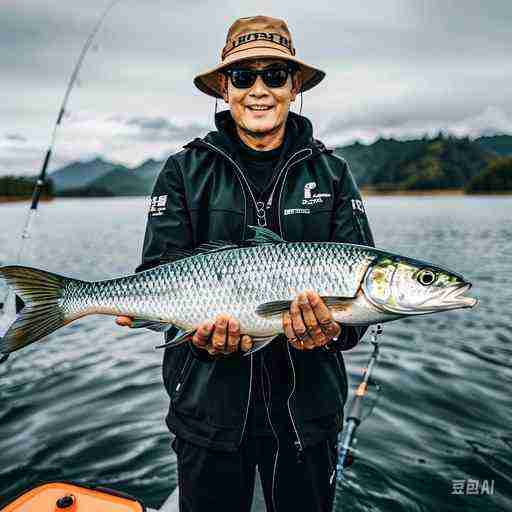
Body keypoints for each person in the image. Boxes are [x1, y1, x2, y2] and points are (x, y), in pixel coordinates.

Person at [117, 15, 374, 512]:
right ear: (224, 88)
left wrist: (334, 331)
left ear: (294, 86)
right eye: (243, 76)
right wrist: (199, 337)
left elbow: (355, 319)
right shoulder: (182, 171)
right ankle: (65, 300)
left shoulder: (334, 173)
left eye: (274, 75)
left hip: (308, 418)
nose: (259, 90)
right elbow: (157, 271)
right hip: (205, 413)